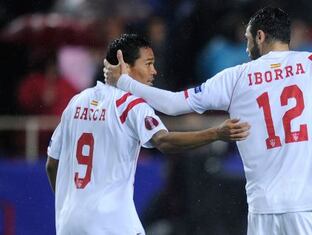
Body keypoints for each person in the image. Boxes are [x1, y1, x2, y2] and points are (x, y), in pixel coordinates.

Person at [104, 7, 312, 235]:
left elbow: (173, 104)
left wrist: (126, 84)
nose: (245, 48)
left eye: (246, 39)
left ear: (259, 36)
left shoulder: (236, 77)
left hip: (263, 211)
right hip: (311, 206)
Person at [45, 34, 250, 235]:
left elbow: (52, 164)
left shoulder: (76, 102)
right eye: (148, 63)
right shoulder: (130, 105)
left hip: (69, 222)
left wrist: (67, 203)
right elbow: (163, 141)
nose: (154, 71)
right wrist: (216, 133)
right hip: (111, 223)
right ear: (124, 64)